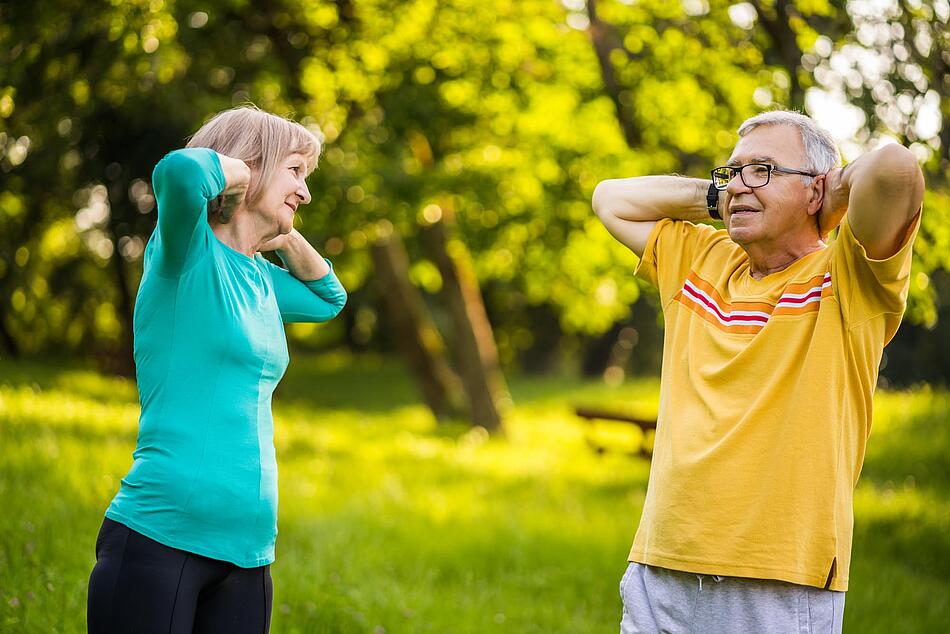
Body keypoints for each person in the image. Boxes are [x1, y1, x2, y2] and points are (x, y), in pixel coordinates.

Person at [592, 110, 924, 633]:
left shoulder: (850, 279)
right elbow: (609, 199)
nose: (742, 185)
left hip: (776, 579)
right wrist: (720, 195)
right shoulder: (702, 258)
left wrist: (830, 196)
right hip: (662, 566)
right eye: (734, 171)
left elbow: (897, 168)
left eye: (763, 170)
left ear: (816, 191)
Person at [87, 106, 347, 633]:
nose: (306, 191)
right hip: (162, 537)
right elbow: (178, 173)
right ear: (250, 162)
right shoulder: (186, 255)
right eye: (295, 171)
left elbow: (329, 299)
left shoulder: (259, 278)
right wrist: (247, 173)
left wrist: (283, 230)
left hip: (249, 552)